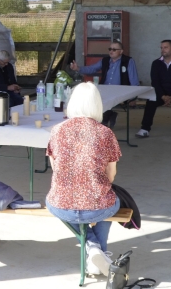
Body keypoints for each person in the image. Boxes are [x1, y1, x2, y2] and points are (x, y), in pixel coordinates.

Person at [45, 82, 121, 277]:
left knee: (54, 202)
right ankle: (97, 251)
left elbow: (55, 169)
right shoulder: (106, 133)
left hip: (62, 204)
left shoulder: (57, 130)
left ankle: (94, 250)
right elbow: (111, 175)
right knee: (111, 200)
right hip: (96, 205)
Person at [70, 39, 139, 128]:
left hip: (120, 91)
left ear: (121, 51)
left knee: (105, 101)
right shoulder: (105, 60)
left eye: (114, 49)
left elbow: (134, 79)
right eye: (110, 49)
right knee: (92, 97)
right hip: (105, 89)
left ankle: (106, 119)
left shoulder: (128, 61)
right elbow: (92, 69)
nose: (111, 51)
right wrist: (78, 68)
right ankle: (105, 118)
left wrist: (133, 97)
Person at [136, 40, 171, 138]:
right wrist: (163, 96)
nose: (162, 50)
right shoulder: (156, 63)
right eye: (161, 48)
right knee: (151, 101)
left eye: (165, 47)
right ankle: (145, 129)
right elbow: (155, 82)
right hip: (161, 93)